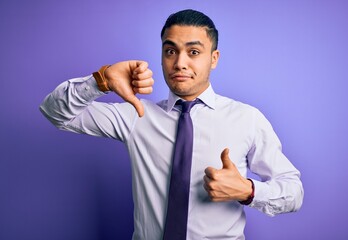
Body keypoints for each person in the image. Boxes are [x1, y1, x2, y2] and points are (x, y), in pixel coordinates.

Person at [40, 9, 303, 240]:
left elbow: (293, 192)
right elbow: (56, 113)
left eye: (194, 52)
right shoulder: (135, 115)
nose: (179, 63)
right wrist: (101, 80)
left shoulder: (247, 118)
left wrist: (249, 190)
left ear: (214, 58)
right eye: (170, 51)